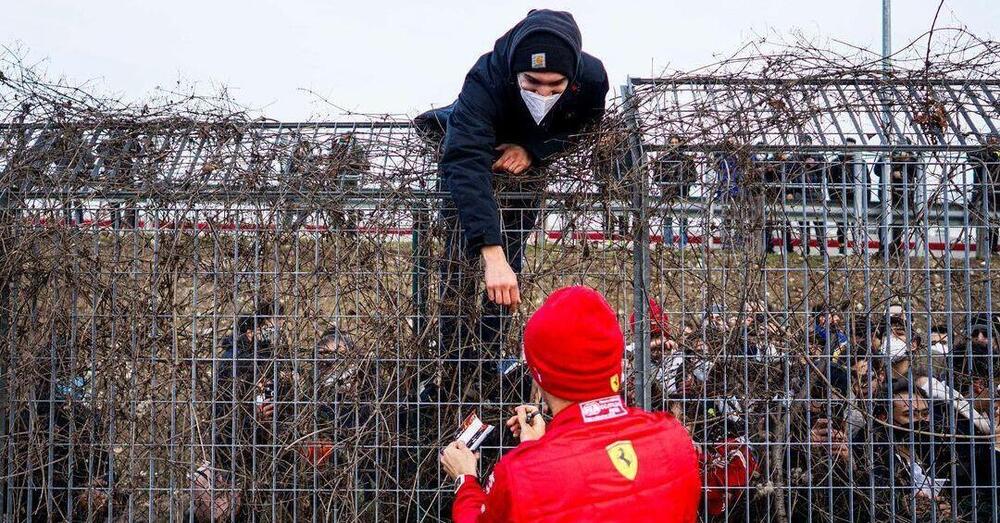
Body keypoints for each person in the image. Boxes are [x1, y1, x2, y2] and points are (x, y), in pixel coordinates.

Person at [414, 10, 609, 394]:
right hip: (473, 151)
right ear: (515, 73)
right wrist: (490, 252)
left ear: (572, 80)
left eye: (554, 86)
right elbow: (465, 160)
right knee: (460, 263)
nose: (542, 94)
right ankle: (453, 364)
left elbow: (584, 128)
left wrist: (533, 149)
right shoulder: (485, 78)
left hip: (526, 168)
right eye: (531, 82)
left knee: (511, 265)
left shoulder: (591, 78)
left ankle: (485, 365)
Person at [439, 286, 700, 522]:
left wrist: (465, 479)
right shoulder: (674, 440)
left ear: (539, 375)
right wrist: (537, 447)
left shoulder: (520, 475)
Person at [968, 132, 1000, 253]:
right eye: (990, 139)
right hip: (984, 193)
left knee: (993, 222)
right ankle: (987, 251)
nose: (992, 141)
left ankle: (991, 250)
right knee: (987, 222)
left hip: (995, 193)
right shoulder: (981, 153)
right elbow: (970, 156)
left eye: (995, 139)